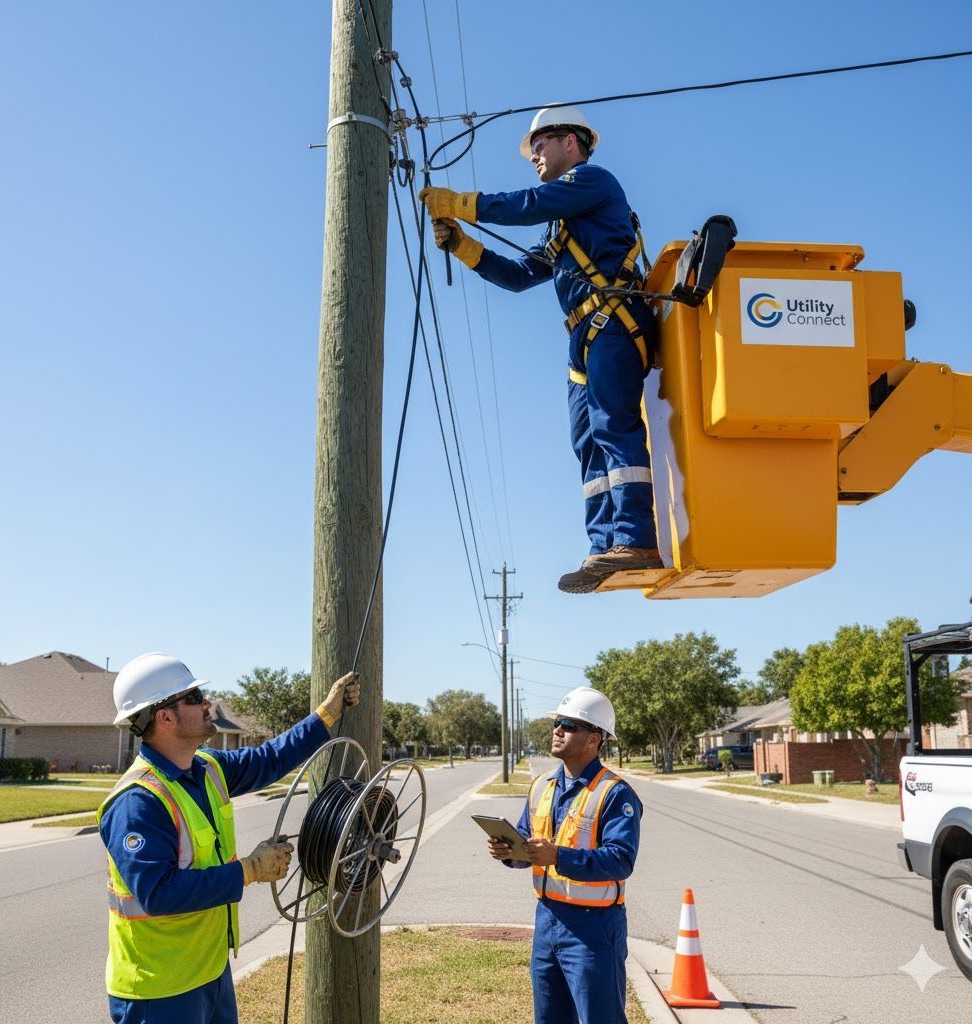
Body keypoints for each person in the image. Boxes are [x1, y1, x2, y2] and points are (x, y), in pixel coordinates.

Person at [419, 105, 663, 595]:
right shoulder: (562, 228)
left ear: (570, 141)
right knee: (588, 442)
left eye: (540, 144)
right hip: (585, 336)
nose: (533, 155)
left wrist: (461, 203)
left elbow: (528, 204)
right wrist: (465, 247)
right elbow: (517, 277)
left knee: (613, 426)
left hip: (613, 321)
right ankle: (605, 544)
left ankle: (637, 539)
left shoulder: (593, 181)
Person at [97, 651, 361, 1024]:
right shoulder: (138, 802)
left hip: (209, 973)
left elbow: (270, 757)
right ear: (165, 716)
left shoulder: (208, 768)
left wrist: (327, 714)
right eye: (193, 698)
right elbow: (158, 894)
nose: (208, 704)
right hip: (158, 991)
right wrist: (249, 870)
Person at [487, 686, 640, 1024]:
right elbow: (527, 843)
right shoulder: (543, 786)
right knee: (550, 1018)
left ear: (594, 739)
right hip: (547, 921)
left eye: (570, 725)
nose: (557, 730)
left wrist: (557, 856)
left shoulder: (614, 793)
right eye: (558, 722)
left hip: (594, 929)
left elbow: (620, 860)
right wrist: (508, 852)